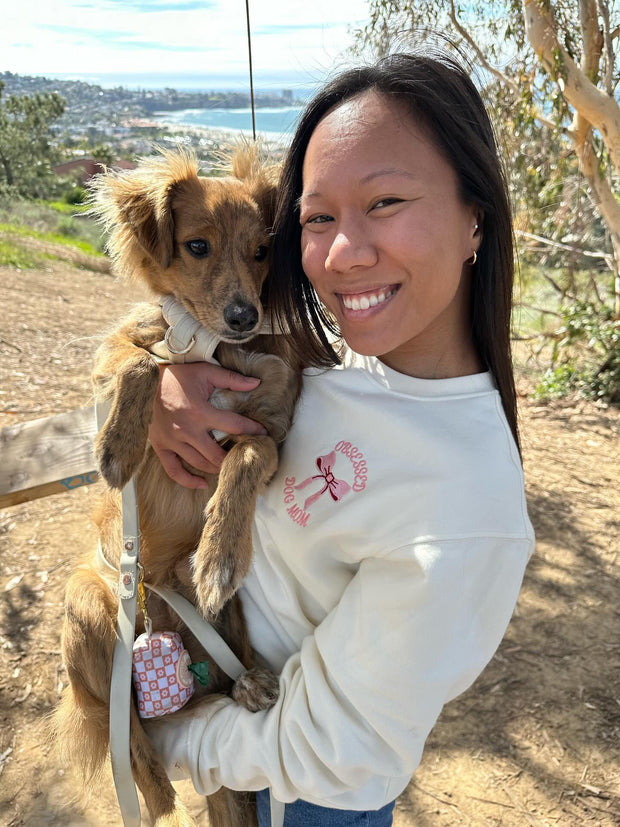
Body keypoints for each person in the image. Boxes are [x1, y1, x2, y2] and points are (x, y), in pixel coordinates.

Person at [145, 51, 535, 826]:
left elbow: (325, 749)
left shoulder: (468, 516)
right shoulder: (336, 364)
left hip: (293, 797)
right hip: (233, 742)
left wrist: (166, 735)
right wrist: (160, 393)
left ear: (475, 219)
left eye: (385, 201)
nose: (340, 253)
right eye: (317, 218)